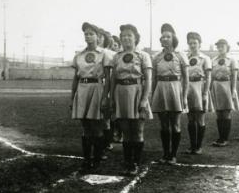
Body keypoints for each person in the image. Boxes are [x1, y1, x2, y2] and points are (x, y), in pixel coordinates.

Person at [110, 24, 153, 176]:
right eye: (123, 36)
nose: (126, 38)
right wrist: (112, 98)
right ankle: (128, 162)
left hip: (137, 92)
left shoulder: (143, 56)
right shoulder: (117, 57)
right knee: (126, 132)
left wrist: (144, 100)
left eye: (129, 35)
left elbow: (148, 80)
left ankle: (135, 162)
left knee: (138, 130)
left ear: (135, 38)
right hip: (121, 93)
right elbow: (113, 79)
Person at [71, 22, 112, 174]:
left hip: (97, 89)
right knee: (85, 127)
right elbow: (75, 78)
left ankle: (97, 158)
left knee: (96, 126)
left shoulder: (104, 54)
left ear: (98, 37)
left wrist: (105, 97)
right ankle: (87, 159)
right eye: (86, 34)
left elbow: (108, 78)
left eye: (91, 34)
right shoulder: (79, 56)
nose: (88, 36)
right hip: (82, 89)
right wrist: (72, 97)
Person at [152, 23, 189, 164]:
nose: (165, 39)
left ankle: (173, 155)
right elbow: (154, 77)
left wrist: (184, 96)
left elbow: (186, 78)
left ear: (173, 38)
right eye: (163, 37)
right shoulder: (156, 57)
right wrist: (152, 94)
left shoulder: (180, 55)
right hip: (161, 89)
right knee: (163, 125)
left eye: (168, 36)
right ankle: (165, 153)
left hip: (175, 89)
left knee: (175, 124)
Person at [185, 32, 213, 154]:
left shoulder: (205, 58)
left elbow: (208, 77)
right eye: (190, 43)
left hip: (200, 87)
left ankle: (199, 146)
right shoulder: (186, 57)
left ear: (199, 44)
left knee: (200, 118)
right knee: (190, 118)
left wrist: (205, 93)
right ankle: (192, 145)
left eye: (195, 43)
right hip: (188, 88)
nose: (192, 45)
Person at [211, 39, 239, 147]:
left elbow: (234, 77)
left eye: (222, 46)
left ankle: (225, 138)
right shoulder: (214, 60)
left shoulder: (232, 60)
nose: (220, 48)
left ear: (227, 47)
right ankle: (220, 137)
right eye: (218, 46)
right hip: (216, 86)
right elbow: (212, 76)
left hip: (227, 85)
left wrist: (233, 91)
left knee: (226, 112)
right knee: (218, 113)